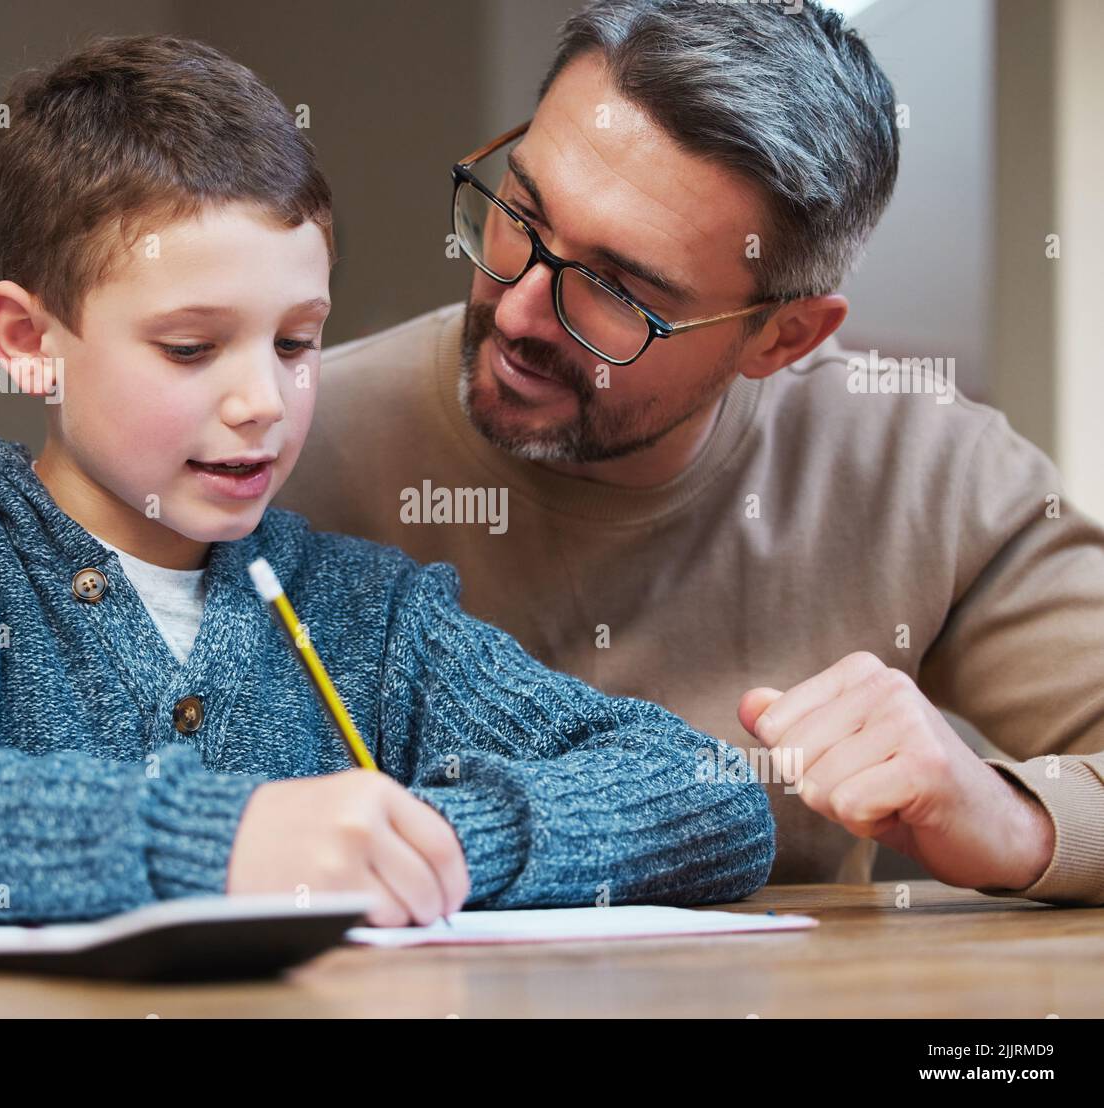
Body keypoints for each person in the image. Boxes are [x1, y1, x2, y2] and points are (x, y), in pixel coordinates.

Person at [0, 34, 774, 926]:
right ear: (29, 343)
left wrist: (433, 844)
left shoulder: (365, 614)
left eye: (297, 341)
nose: (262, 399)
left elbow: (707, 795)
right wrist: (222, 841)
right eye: (191, 347)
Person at [277, 0, 1104, 905]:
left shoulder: (927, 478)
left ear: (780, 338)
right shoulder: (280, 449)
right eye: (520, 213)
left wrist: (1018, 819)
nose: (516, 312)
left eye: (619, 290)